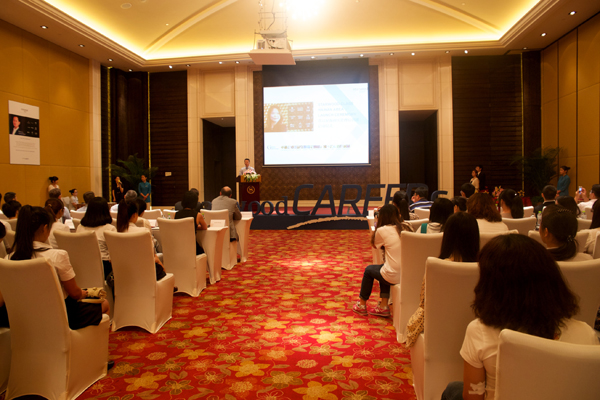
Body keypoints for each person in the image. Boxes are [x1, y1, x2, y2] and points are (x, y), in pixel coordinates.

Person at [441, 234, 598, 400]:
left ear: (490, 286)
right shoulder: (586, 334)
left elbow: (473, 398)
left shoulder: (479, 332)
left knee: (452, 390)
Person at [5, 206, 109, 330]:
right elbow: (75, 293)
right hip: (59, 316)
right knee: (105, 304)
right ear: (45, 228)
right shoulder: (56, 256)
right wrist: (85, 293)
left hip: (23, 318)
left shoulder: (8, 259)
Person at [405, 212, 480, 348]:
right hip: (475, 334)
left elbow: (424, 304)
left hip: (437, 332)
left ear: (447, 237)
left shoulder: (436, 267)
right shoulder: (486, 269)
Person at [352, 204, 413, 317]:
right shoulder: (407, 227)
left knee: (369, 270)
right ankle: (383, 305)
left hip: (394, 275)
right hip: (410, 274)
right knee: (384, 267)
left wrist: (377, 223)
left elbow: (375, 245)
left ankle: (362, 304)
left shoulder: (382, 230)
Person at [116, 200, 166, 281]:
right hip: (144, 272)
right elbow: (151, 254)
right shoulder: (143, 232)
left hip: (122, 274)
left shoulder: (114, 233)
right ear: (135, 215)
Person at [77, 197, 117, 278]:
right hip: (104, 268)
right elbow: (114, 254)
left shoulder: (80, 227)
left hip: (83, 267)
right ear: (106, 211)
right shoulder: (109, 229)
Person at [174, 190, 208, 255]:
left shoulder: (176, 214)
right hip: (192, 247)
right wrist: (195, 227)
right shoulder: (198, 215)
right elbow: (204, 227)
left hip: (178, 246)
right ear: (195, 202)